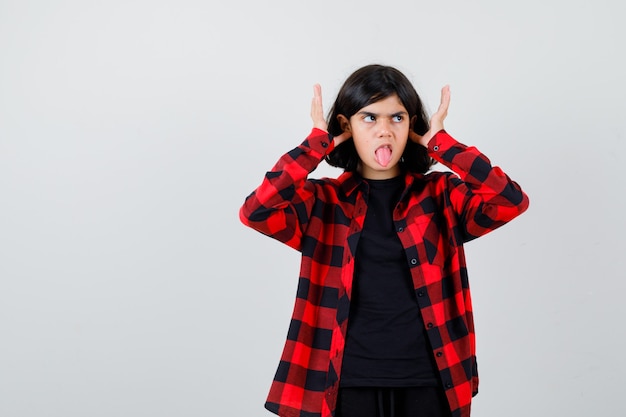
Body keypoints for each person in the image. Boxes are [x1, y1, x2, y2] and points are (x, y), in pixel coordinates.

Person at [239, 64, 529, 417]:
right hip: (345, 382)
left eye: (396, 118)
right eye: (369, 118)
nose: (384, 132)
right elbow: (256, 210)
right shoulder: (322, 202)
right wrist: (314, 146)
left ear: (411, 126)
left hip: (429, 381)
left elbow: (510, 201)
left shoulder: (440, 195)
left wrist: (444, 146)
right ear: (347, 126)